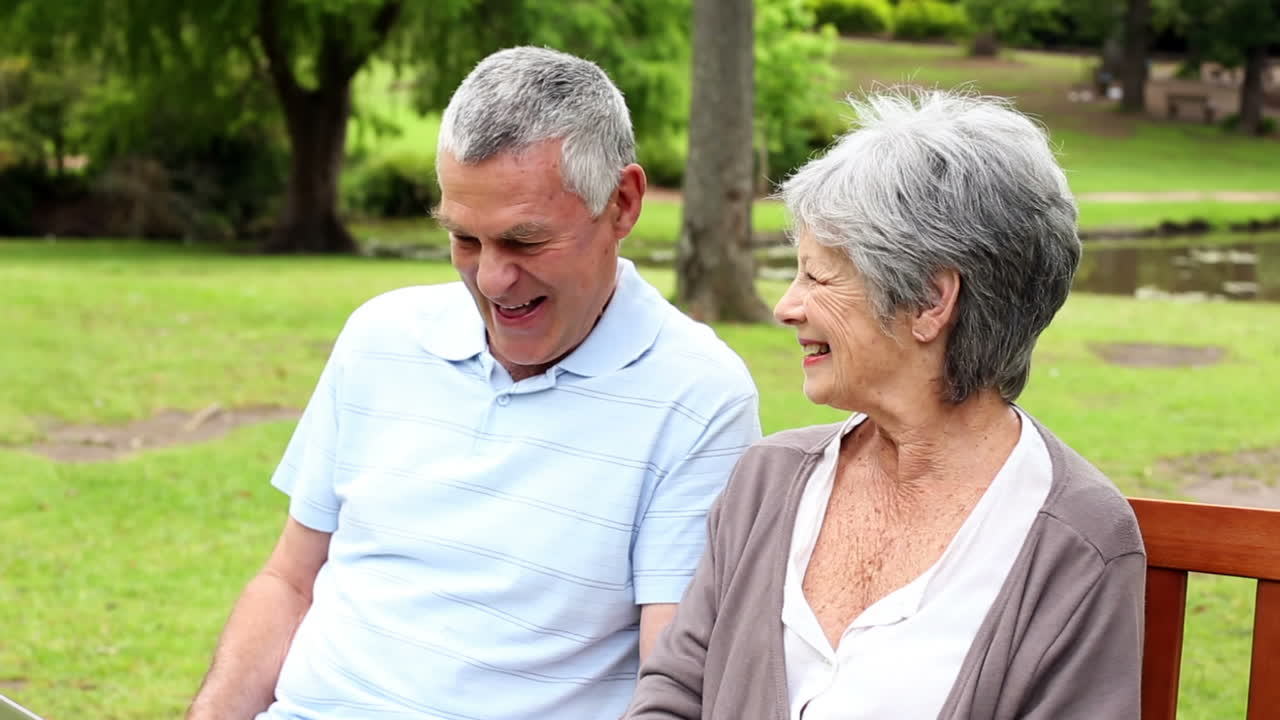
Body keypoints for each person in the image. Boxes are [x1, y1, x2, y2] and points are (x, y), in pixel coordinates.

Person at [186, 46, 761, 720]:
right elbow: (289, 582)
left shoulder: (698, 397)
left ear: (622, 204)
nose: (490, 280)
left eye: (524, 242)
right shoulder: (381, 337)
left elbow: (672, 686)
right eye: (464, 239)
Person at [626, 88, 1146, 720]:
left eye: (817, 277)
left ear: (931, 301)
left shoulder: (1075, 542)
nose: (786, 307)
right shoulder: (767, 482)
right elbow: (675, 694)